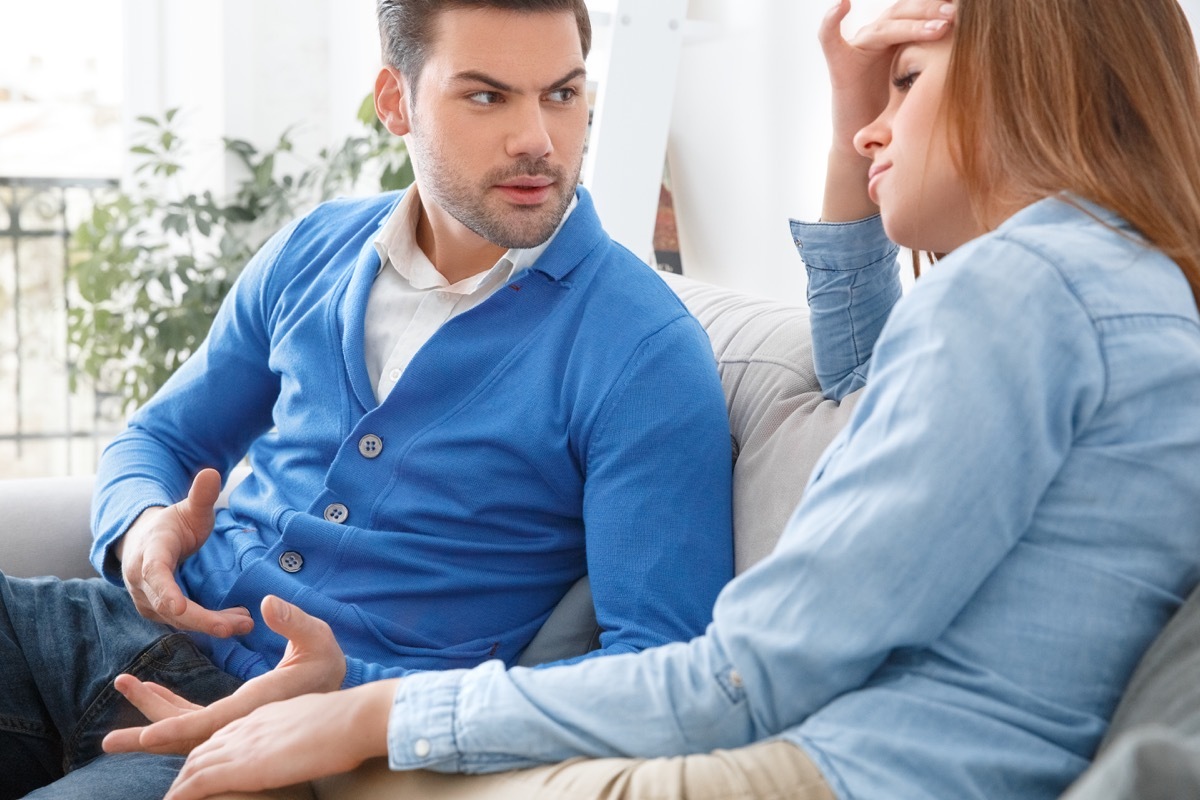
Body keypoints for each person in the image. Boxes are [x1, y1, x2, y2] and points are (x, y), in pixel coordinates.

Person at [124, 0, 1200, 798]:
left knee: (338, 767)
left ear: (1031, 84)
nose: (875, 126)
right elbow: (871, 377)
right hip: (872, 752)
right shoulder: (1116, 288)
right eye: (487, 92)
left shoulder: (1017, 290)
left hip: (842, 766)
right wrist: (851, 109)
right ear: (397, 101)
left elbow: (740, 674)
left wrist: (375, 703)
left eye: (907, 82)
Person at [0, 0, 736, 796]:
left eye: (562, 93)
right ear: (396, 102)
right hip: (91, 629)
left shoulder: (643, 353)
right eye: (487, 96)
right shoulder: (315, 246)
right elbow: (161, 441)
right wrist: (143, 525)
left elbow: (662, 673)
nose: (539, 139)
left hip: (278, 738)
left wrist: (358, 694)